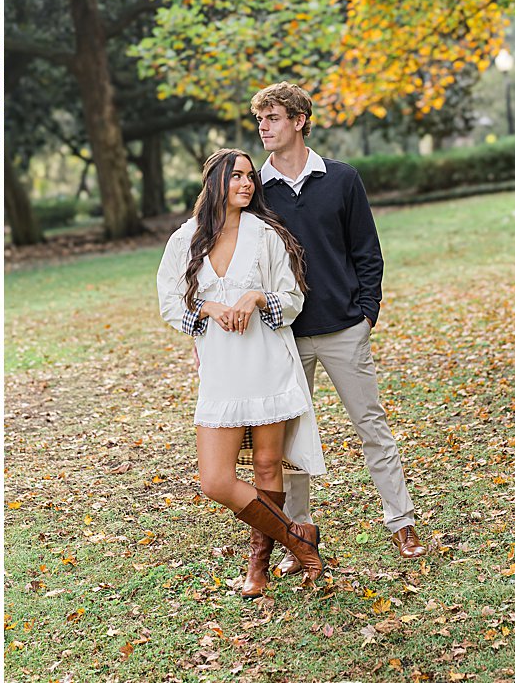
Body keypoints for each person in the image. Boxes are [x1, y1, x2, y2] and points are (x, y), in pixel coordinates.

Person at [253, 81, 426, 564]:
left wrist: (366, 312)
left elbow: (367, 252)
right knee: (290, 441)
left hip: (345, 328)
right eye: (260, 120)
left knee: (372, 426)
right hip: (284, 336)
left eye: (272, 118)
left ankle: (402, 523)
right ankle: (299, 536)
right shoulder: (256, 191)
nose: (263, 128)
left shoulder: (342, 178)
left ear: (299, 120)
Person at [157, 149, 328, 597]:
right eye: (236, 176)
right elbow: (170, 303)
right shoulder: (186, 239)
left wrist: (255, 298)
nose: (247, 184)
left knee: (268, 465)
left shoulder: (266, 235)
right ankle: (297, 535)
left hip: (267, 361)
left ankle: (258, 569)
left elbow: (292, 297)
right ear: (214, 181)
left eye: (251, 177)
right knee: (215, 480)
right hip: (221, 371)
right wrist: (208, 306)